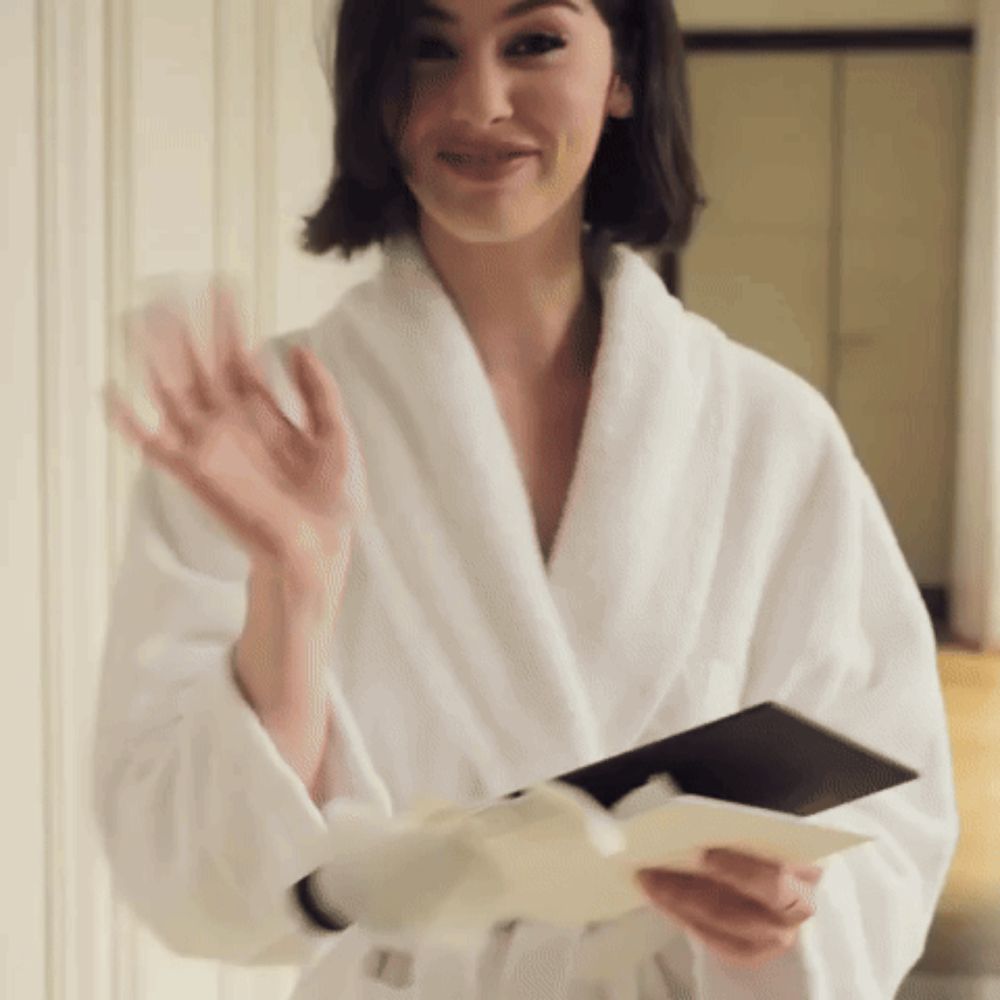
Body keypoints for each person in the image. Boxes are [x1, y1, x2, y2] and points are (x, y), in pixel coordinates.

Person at [91, 0, 960, 996]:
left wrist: (789, 909)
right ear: (377, 87)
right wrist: (293, 587)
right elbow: (181, 873)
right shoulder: (262, 429)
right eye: (428, 48)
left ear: (622, 69)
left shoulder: (771, 435)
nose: (480, 100)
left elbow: (894, 802)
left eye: (532, 41)